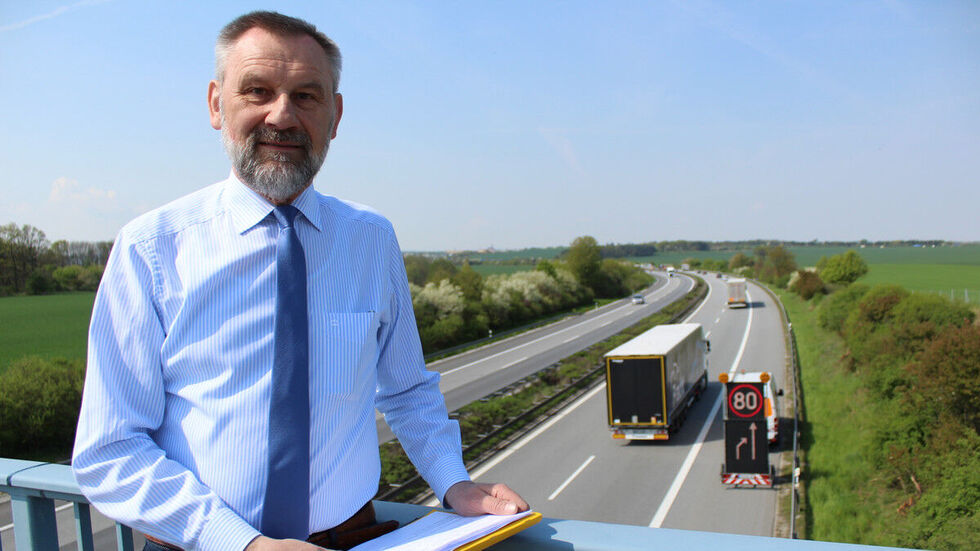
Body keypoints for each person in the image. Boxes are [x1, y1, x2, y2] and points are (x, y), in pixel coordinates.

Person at [72, 11, 528, 551]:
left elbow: (406, 389)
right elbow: (111, 448)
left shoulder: (370, 240)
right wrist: (242, 543)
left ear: (334, 115)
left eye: (307, 96)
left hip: (352, 537)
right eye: (258, 91)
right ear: (218, 105)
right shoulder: (150, 249)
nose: (282, 116)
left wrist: (454, 482)